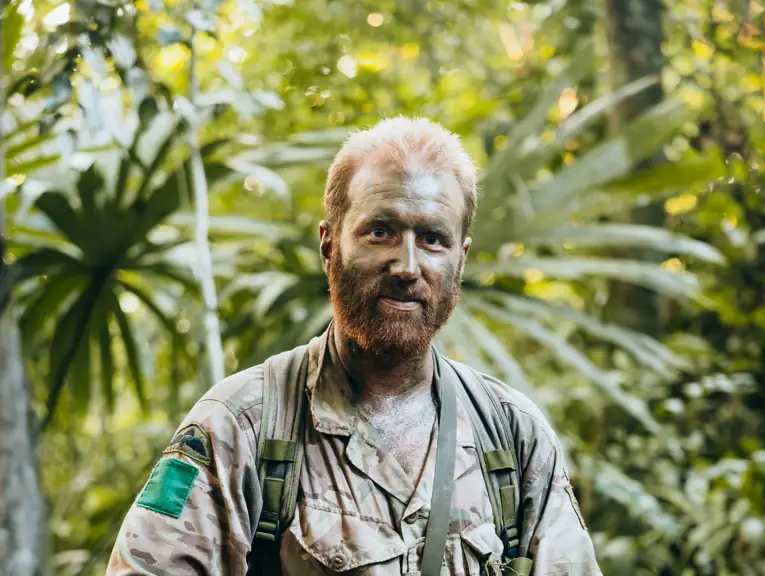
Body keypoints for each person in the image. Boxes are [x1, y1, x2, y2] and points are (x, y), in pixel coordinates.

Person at [106, 117, 602, 576]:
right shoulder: (243, 426)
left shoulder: (512, 436)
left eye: (432, 239)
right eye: (380, 232)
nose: (408, 266)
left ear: (461, 258)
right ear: (329, 244)